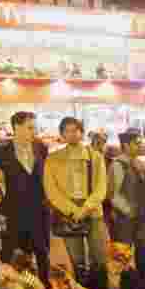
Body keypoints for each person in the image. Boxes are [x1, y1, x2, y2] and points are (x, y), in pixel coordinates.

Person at [0, 111, 51, 283]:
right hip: (14, 209)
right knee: (12, 250)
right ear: (16, 128)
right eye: (29, 127)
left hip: (39, 207)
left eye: (34, 127)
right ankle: (12, 284)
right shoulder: (2, 151)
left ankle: (44, 284)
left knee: (42, 250)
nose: (33, 131)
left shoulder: (40, 147)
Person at [44, 117, 109, 273]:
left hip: (93, 212)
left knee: (100, 257)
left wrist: (85, 208)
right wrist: (72, 210)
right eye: (67, 131)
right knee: (75, 259)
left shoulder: (95, 157)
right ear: (61, 134)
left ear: (82, 133)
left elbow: (101, 187)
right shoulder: (53, 159)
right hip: (68, 214)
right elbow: (51, 190)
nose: (72, 134)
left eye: (75, 130)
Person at [109, 131, 145, 274]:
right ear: (126, 145)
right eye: (136, 143)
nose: (140, 146)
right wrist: (128, 210)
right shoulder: (118, 165)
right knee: (122, 256)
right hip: (124, 218)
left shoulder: (140, 163)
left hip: (142, 217)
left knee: (142, 254)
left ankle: (140, 283)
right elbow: (113, 194)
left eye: (140, 143)